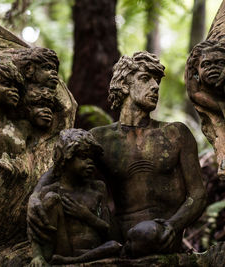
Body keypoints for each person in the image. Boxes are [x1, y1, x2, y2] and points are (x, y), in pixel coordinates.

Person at [27, 51, 207, 257]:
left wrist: (173, 226)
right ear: (124, 85)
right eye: (145, 79)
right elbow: (60, 169)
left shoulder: (175, 133)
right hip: (118, 235)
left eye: (157, 81)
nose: (155, 86)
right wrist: (34, 198)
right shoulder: (101, 138)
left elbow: (198, 195)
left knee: (148, 233)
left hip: (161, 235)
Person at [29, 129, 121, 266]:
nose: (90, 162)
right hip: (63, 248)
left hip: (95, 250)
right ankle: (54, 257)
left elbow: (110, 232)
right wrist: (37, 256)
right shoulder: (52, 190)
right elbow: (37, 226)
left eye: (92, 158)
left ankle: (74, 261)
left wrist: (86, 216)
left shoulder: (97, 188)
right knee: (51, 198)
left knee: (115, 245)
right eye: (83, 157)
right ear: (65, 159)